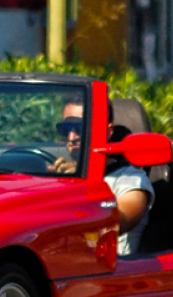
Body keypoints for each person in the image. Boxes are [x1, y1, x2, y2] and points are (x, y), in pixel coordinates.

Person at [51, 101, 153, 256]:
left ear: (107, 131)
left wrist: (81, 183)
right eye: (66, 129)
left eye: (80, 128)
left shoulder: (131, 180)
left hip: (111, 272)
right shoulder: (57, 174)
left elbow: (116, 221)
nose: (72, 137)